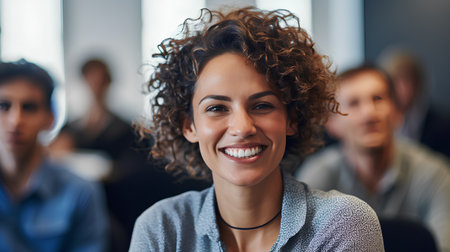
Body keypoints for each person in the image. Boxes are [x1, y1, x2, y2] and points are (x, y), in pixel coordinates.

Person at [130, 8, 384, 251]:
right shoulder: (161, 229)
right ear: (189, 126)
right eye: (217, 108)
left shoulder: (341, 224)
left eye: (262, 105)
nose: (242, 128)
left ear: (292, 119)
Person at [295, 65, 450, 251]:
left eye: (378, 99)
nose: (369, 113)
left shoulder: (434, 175)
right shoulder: (316, 180)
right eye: (353, 103)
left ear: (397, 112)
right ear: (332, 122)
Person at [0, 59, 108, 252]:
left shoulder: (80, 194)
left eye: (29, 107)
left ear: (50, 118)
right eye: (3, 106)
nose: (15, 120)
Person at [379, 50, 450, 157]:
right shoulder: (379, 118)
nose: (402, 89)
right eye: (395, 81)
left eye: (407, 81)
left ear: (418, 83)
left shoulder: (442, 125)